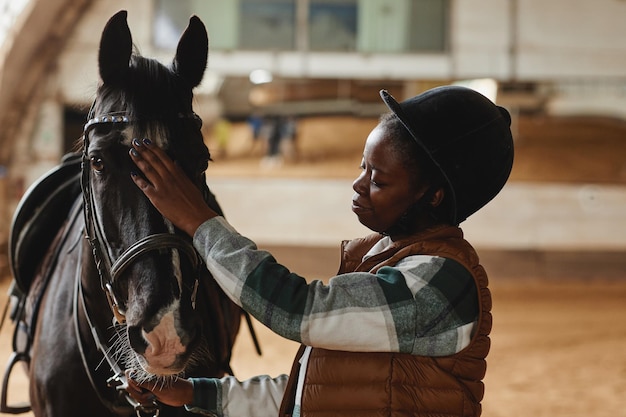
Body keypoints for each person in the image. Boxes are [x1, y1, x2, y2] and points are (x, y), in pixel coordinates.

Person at [126, 85, 514, 417]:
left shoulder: (440, 285)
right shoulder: (380, 261)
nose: (358, 185)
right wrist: (195, 393)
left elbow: (298, 309)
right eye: (363, 168)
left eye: (378, 179)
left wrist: (199, 221)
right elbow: (316, 391)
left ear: (433, 195)